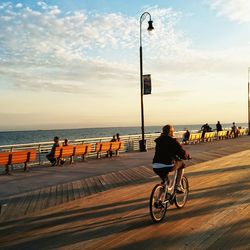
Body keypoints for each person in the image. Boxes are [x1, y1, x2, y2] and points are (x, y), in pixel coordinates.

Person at [152, 124, 190, 193]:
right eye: (172, 131)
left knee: (166, 182)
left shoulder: (158, 141)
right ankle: (177, 185)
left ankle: (159, 199)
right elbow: (181, 152)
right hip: (167, 165)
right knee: (181, 165)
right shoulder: (173, 141)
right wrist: (187, 156)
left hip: (155, 165)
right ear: (170, 132)